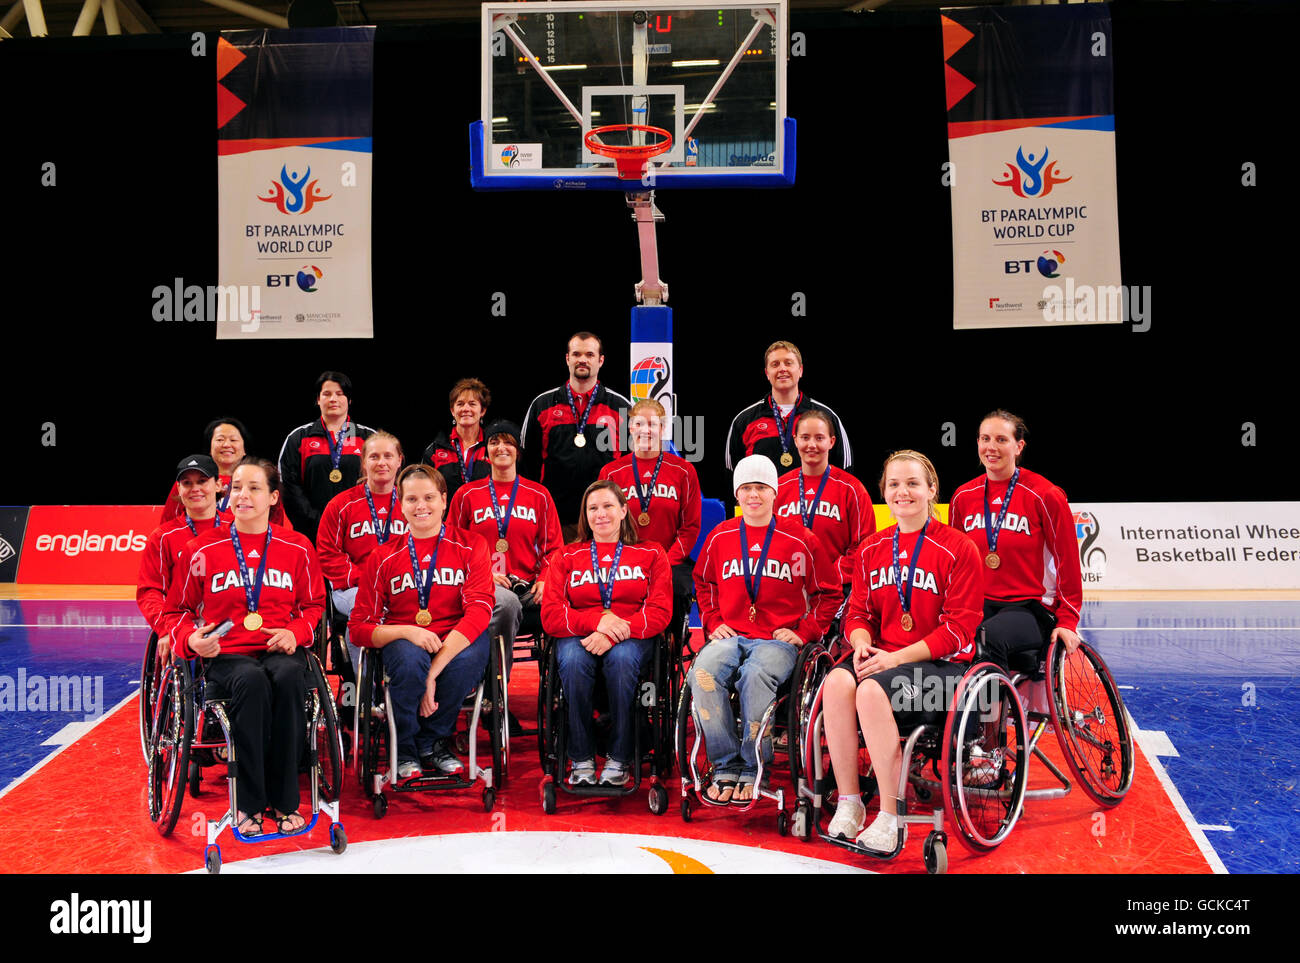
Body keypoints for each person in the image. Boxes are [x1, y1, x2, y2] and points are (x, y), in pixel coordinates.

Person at [820, 450, 983, 851]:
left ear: (931, 490)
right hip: (884, 658)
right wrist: (860, 643)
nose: (902, 492)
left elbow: (960, 631)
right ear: (884, 493)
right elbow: (857, 612)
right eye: (893, 484)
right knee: (836, 684)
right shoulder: (873, 548)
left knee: (872, 690)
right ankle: (850, 801)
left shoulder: (960, 549)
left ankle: (891, 816)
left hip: (943, 673)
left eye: (912, 483)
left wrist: (894, 658)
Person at [163, 457, 326, 837]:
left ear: (273, 497)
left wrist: (297, 632)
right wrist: (190, 639)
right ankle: (249, 804)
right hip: (228, 655)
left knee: (288, 678)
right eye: (236, 487)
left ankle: (286, 802)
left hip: (279, 647)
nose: (243, 495)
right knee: (251, 683)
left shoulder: (298, 547)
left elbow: (314, 605)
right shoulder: (199, 550)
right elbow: (177, 610)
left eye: (254, 488)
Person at [690, 455, 841, 804]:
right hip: (732, 635)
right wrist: (713, 620)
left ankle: (755, 763)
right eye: (746, 488)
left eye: (761, 487)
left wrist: (805, 631)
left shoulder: (800, 538)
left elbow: (829, 591)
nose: (753, 495)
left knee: (755, 675)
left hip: (778, 640)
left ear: (775, 493)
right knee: (703, 673)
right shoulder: (721, 536)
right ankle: (725, 763)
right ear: (737, 494)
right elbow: (703, 581)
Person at [348, 464, 494, 780]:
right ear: (400, 505)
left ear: (444, 500)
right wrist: (407, 631)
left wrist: (433, 673)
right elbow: (359, 628)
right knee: (410, 661)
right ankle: (405, 748)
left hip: (454, 634)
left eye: (429, 497)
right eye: (412, 499)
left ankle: (433, 742)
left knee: (470, 654)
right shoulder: (383, 556)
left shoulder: (471, 545)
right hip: (406, 638)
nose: (421, 506)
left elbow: (480, 611)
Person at [540, 480, 671, 786]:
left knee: (623, 659)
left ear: (624, 510)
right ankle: (581, 757)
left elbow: (659, 611)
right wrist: (597, 622)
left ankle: (620, 755)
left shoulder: (651, 553)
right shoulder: (567, 556)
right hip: (582, 633)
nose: (601, 514)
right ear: (585, 515)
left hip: (632, 637)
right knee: (571, 660)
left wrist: (613, 633)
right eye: (593, 508)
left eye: (608, 506)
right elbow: (550, 615)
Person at [948, 410, 1084, 666]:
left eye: (1001, 439)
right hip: (980, 603)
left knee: (987, 638)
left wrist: (1068, 620)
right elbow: (957, 565)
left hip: (1032, 607)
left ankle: (994, 705)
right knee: (948, 637)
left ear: (1019, 446)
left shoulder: (1045, 495)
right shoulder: (963, 497)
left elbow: (1067, 561)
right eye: (985, 438)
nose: (991, 447)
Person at [446, 419, 561, 678]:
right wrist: (483, 573)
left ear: (517, 451)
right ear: (485, 452)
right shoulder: (466, 494)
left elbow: (553, 549)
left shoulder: (539, 495)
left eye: (507, 442)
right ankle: (497, 693)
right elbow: (451, 547)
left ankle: (561, 693)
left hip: (528, 586)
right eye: (494, 442)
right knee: (506, 604)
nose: (501, 447)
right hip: (482, 587)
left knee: (568, 600)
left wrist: (545, 580)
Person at [598, 397, 701, 643]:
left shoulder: (684, 471)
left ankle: (670, 644)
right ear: (631, 428)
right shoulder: (611, 472)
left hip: (670, 560)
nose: (646, 430)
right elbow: (604, 523)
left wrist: (664, 562)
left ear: (663, 429)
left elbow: (690, 528)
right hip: (623, 558)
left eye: (653, 424)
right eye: (639, 424)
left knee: (676, 588)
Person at [521, 332, 631, 539]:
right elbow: (527, 463)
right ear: (567, 359)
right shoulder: (542, 404)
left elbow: (630, 464)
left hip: (606, 518)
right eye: (577, 354)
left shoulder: (620, 407)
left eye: (589, 354)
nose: (582, 359)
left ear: (600, 360)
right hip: (556, 519)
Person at [315, 431, 406, 671]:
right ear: (363, 463)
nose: (382, 462)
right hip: (354, 589)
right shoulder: (341, 505)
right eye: (374, 456)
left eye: (388, 456)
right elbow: (327, 554)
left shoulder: (412, 503)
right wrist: (366, 580)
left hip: (403, 585)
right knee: (363, 607)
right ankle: (367, 688)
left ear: (399, 461)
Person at [775, 408, 875, 593]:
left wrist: (828, 576)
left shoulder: (851, 489)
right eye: (805, 437)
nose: (812, 444)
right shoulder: (779, 488)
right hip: (787, 589)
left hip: (837, 590)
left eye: (819, 438)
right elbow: (767, 541)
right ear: (795, 440)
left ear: (831, 441)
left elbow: (864, 548)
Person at [725, 340, 853, 478]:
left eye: (788, 363)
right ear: (767, 373)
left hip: (815, 499)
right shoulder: (745, 420)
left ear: (800, 370)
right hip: (762, 500)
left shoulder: (826, 417)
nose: (782, 369)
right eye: (775, 364)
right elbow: (733, 474)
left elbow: (845, 470)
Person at [278, 371, 374, 543]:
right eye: (327, 394)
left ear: (349, 400)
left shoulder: (367, 437)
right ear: (317, 399)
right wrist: (315, 521)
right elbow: (289, 486)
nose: (333, 399)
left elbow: (384, 481)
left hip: (360, 529)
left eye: (340, 394)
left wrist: (360, 521)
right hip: (312, 531)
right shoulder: (299, 437)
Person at [139, 455, 227, 636]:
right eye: (187, 483)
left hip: (232, 622)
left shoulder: (239, 528)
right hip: (184, 626)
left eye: (202, 481)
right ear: (179, 489)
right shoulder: (163, 537)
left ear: (218, 485)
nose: (195, 489)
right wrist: (167, 630)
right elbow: (151, 591)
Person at [159, 418, 290, 528]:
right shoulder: (188, 480)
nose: (226, 444)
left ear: (245, 449)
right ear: (210, 447)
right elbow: (168, 524)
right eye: (220, 440)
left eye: (233, 440)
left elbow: (275, 525)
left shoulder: (261, 481)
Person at [423, 378, 493, 505]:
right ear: (452, 411)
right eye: (460, 404)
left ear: (482, 410)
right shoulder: (436, 449)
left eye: (472, 404)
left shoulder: (493, 446)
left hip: (486, 520)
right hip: (446, 522)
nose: (466, 409)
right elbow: (424, 491)